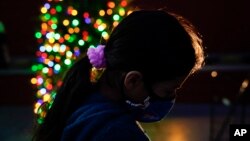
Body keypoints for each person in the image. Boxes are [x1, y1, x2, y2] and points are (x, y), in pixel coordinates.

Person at [33, 9, 205, 141]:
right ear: (133, 80)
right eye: (168, 91)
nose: (172, 98)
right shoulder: (118, 133)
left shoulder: (82, 99)